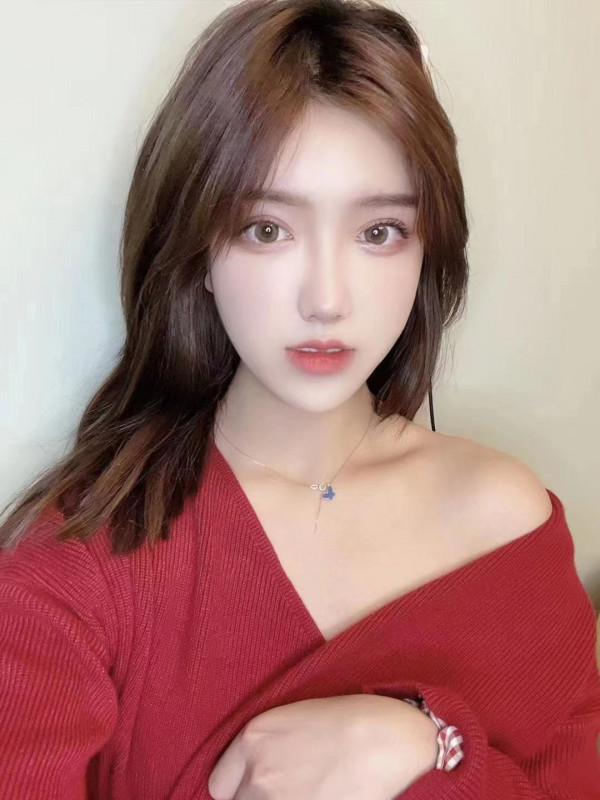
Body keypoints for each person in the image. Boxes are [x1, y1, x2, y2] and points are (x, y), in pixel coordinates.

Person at [1, 0, 599, 798]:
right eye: (266, 228)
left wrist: (424, 746)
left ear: (428, 250)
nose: (326, 299)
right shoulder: (78, 567)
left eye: (379, 232)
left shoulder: (506, 522)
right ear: (196, 250)